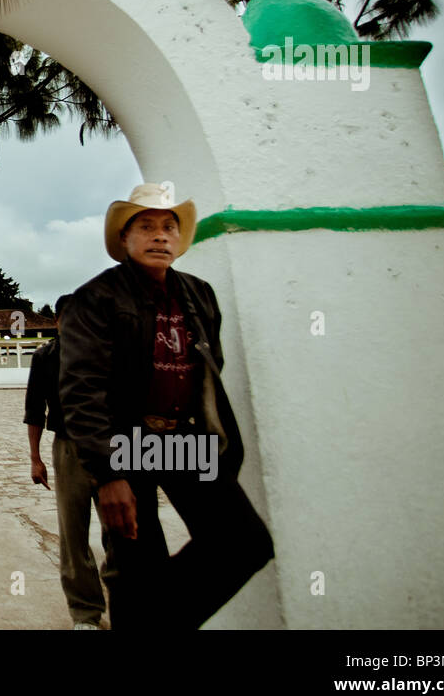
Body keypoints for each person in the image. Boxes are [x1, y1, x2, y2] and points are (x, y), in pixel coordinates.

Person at [58, 183, 274, 630]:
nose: (160, 236)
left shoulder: (199, 295)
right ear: (124, 238)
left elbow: (209, 368)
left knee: (244, 543)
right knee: (137, 563)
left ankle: (152, 622)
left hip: (184, 439)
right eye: (147, 226)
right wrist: (108, 473)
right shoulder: (95, 299)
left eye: (169, 227)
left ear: (179, 238)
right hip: (126, 443)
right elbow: (81, 389)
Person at [25, 294, 106, 630]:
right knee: (73, 534)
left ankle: (128, 599)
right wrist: (35, 458)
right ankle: (85, 612)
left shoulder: (105, 352)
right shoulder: (45, 358)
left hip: (111, 447)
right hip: (68, 448)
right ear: (56, 321)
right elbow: (34, 411)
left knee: (121, 530)